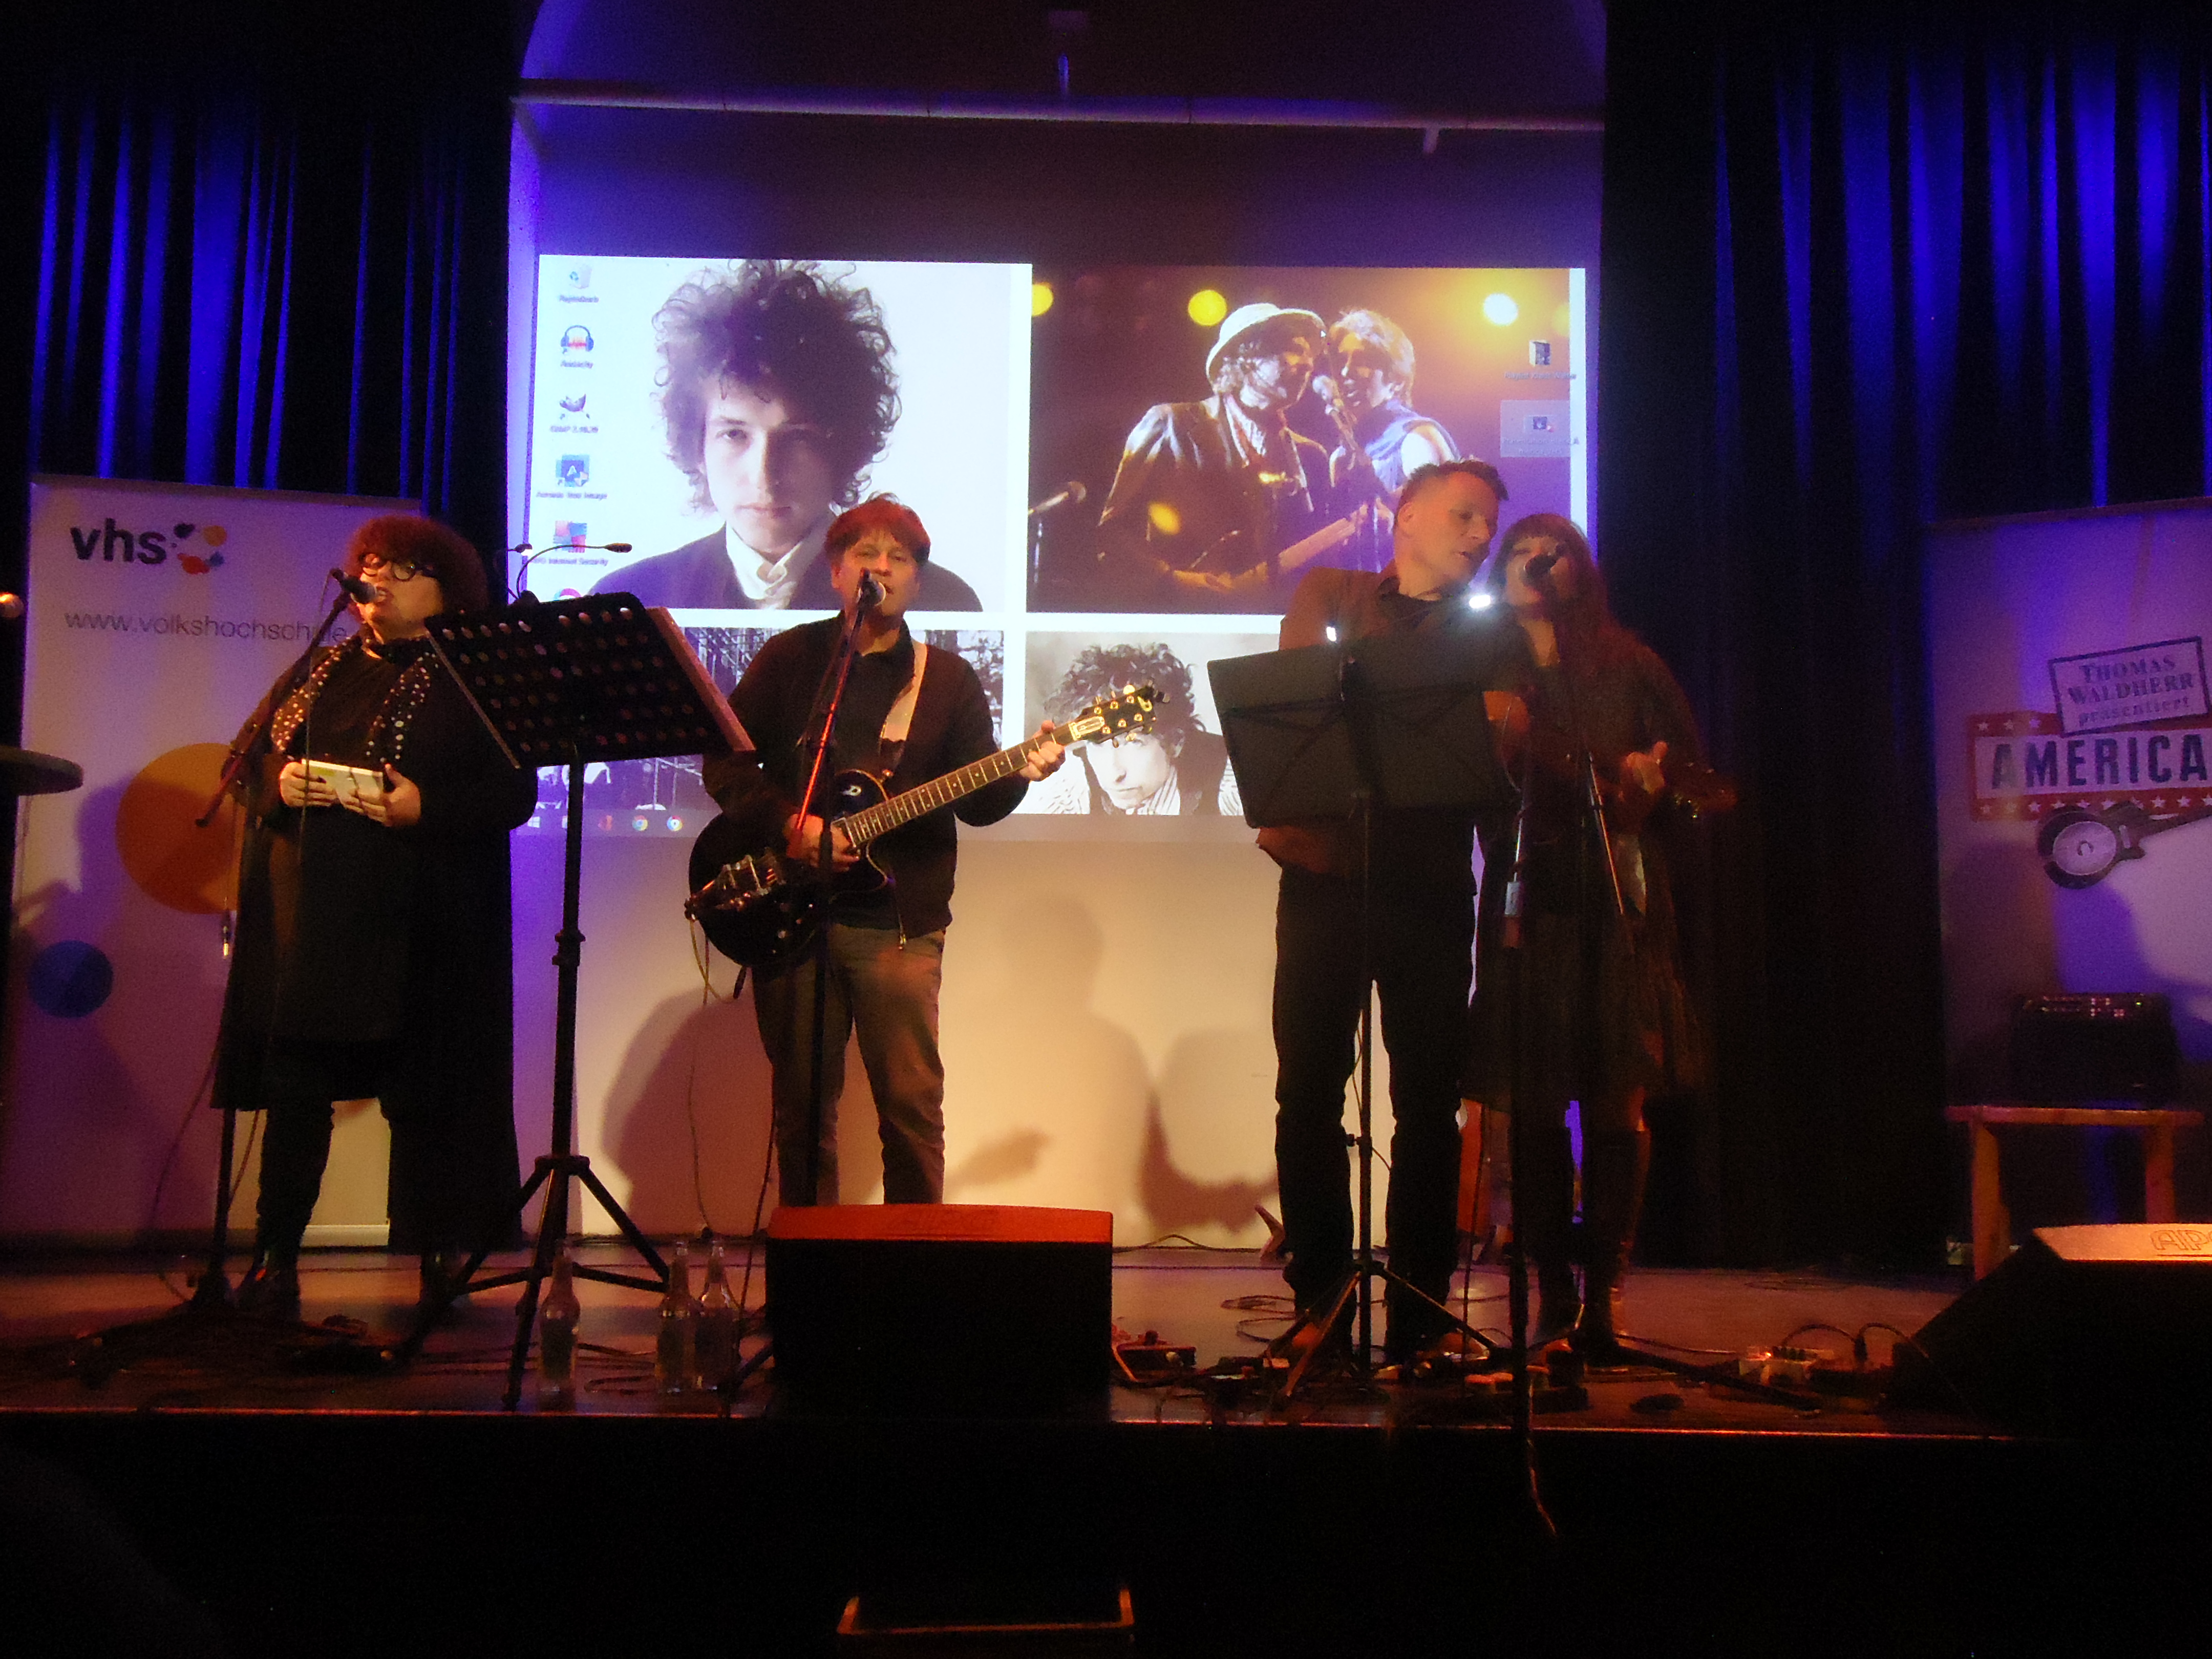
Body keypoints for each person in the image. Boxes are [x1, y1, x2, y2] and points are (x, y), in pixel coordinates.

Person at [217, 516, 537, 1320]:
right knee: (298, 1092)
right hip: (317, 922)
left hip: (421, 921)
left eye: (401, 568)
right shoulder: (322, 666)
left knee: (425, 1097)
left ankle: (437, 1259)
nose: (378, 580)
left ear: (447, 590)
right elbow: (243, 762)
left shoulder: (476, 675)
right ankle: (276, 1259)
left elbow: (514, 794)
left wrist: (429, 807)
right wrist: (277, 783)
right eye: (370, 565)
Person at [701, 497, 1064, 1205]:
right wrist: (791, 826)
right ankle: (811, 1266)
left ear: (917, 581)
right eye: (865, 554)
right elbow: (725, 763)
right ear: (836, 571)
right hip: (792, 917)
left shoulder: (947, 679)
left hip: (898, 927)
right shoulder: (792, 658)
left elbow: (979, 805)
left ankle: (912, 1268)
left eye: (899, 558)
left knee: (910, 1112)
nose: (882, 568)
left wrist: (1022, 772)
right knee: (803, 1114)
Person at [1261, 457, 1515, 1362]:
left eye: (1488, 525)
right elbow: (1295, 698)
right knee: (1307, 1093)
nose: (1480, 537)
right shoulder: (1331, 591)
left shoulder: (1494, 630)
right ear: (1406, 516)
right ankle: (1321, 1302)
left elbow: (1502, 744)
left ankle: (1419, 1310)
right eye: (1464, 516)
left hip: (1430, 887)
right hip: (1325, 880)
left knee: (1429, 1106)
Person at [1464, 513, 1707, 1358]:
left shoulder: (1630, 665)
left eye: (1555, 551)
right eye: (1521, 551)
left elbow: (1693, 783)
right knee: (1532, 1105)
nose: (1537, 561)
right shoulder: (1479, 665)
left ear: (1582, 572)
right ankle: (1552, 1294)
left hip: (1617, 901)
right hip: (1527, 899)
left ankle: (1606, 1292)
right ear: (1501, 573)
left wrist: (1652, 783)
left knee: (1615, 1097)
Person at [602, 261, 982, 611]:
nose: (764, 476)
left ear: (842, 449)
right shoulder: (630, 599)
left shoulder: (940, 601)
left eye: (798, 437)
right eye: (734, 434)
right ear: (697, 446)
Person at [1095, 303, 1351, 612]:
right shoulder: (1171, 425)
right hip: (1184, 617)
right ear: (1246, 358)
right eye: (1296, 351)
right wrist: (1171, 580)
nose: (1309, 365)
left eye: (1311, 355)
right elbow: (1114, 532)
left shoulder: (1310, 456)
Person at [1038, 642, 1237, 815]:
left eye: (1134, 742)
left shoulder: (1231, 785)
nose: (1114, 775)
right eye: (1098, 744)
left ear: (1175, 743)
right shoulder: (1069, 789)